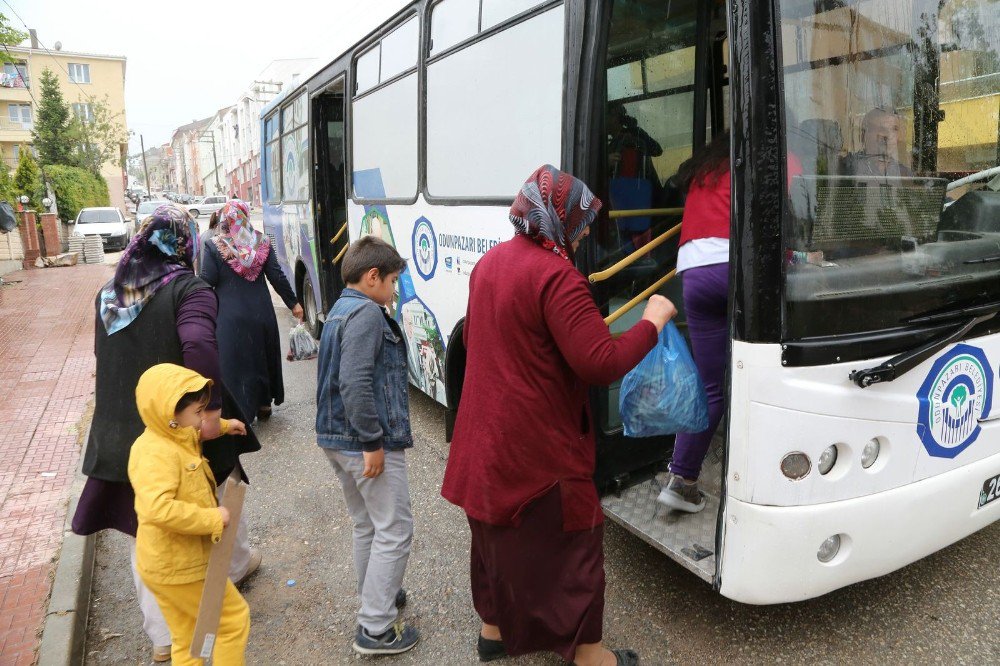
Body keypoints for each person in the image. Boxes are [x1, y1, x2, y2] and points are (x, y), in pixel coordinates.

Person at [441, 165, 676, 666]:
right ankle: (590, 655)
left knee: (496, 542)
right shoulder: (556, 277)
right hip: (535, 449)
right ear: (557, 218)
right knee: (576, 548)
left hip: (482, 442)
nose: (588, 229)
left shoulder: (491, 264)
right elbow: (600, 362)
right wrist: (652, 321)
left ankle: (496, 631)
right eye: (583, 219)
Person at [72, 203, 262, 663]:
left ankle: (165, 636)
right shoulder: (188, 289)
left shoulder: (111, 294)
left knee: (147, 528)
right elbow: (197, 343)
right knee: (207, 496)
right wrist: (211, 410)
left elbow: (104, 358)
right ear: (185, 242)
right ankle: (220, 586)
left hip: (121, 423)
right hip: (175, 423)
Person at [315, 236, 418, 656]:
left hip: (336, 439)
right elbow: (355, 382)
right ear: (372, 277)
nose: (394, 290)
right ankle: (375, 627)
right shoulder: (367, 315)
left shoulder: (340, 309)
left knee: (367, 524)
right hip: (364, 443)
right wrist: (373, 442)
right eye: (392, 281)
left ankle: (378, 592)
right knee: (394, 528)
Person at [129, 364, 250, 666]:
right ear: (170, 413)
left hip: (166, 565)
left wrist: (224, 426)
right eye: (198, 413)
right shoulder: (155, 454)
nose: (202, 419)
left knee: (186, 636)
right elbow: (158, 508)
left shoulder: (169, 436)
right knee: (232, 622)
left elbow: (193, 439)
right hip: (181, 567)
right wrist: (213, 518)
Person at [657, 132, 731, 513]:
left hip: (695, 272)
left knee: (708, 384)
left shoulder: (708, 169)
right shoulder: (777, 157)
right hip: (734, 266)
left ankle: (681, 479)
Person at [200, 200, 303, 422]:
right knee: (262, 356)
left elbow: (207, 281)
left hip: (228, 316)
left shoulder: (214, 245)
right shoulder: (262, 243)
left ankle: (240, 411)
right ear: (245, 216)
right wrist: (293, 303)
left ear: (224, 220)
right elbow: (276, 276)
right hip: (261, 313)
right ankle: (264, 404)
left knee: (235, 362)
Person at [843, 108, 912, 177]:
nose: (887, 135)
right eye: (880, 129)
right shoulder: (845, 167)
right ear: (863, 135)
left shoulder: (905, 174)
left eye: (894, 129)